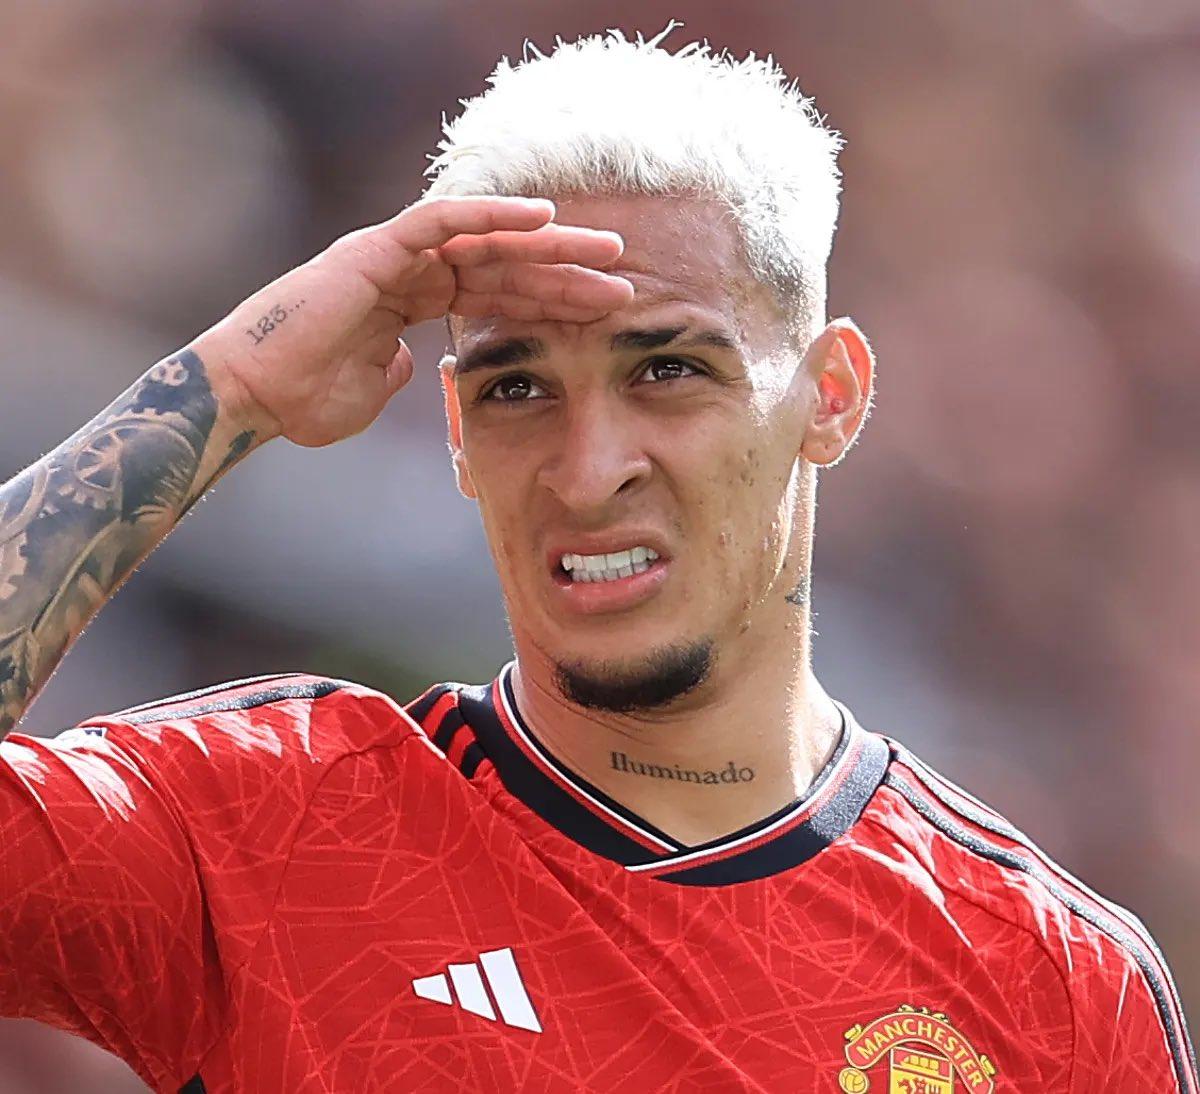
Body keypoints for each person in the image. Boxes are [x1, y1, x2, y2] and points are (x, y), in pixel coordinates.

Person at [0, 29, 1194, 1094]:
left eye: (667, 370)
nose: (586, 470)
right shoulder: (272, 829)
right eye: (517, 387)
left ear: (830, 395)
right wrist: (228, 387)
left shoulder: (1051, 979)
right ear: (456, 432)